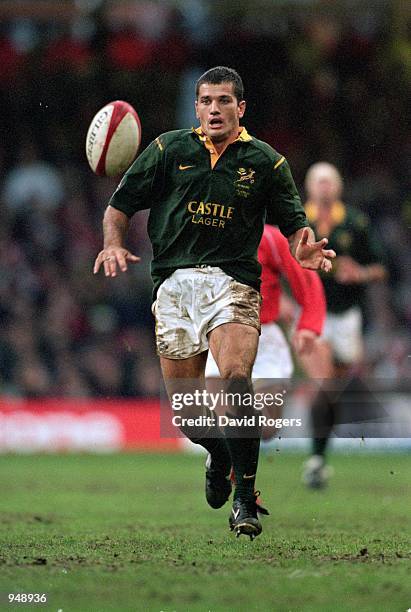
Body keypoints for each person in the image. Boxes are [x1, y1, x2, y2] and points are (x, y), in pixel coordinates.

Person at [93, 66, 335, 539]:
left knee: (236, 378)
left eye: (224, 101)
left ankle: (244, 499)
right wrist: (112, 242)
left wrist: (302, 247)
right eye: (206, 101)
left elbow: (294, 224)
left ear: (240, 108)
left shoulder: (266, 162)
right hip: (173, 286)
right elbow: (118, 206)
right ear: (196, 107)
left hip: (233, 283)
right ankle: (220, 454)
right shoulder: (167, 149)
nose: (214, 109)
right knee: (187, 415)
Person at [301, 162, 387, 488]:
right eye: (318, 182)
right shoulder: (299, 222)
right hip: (312, 313)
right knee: (324, 383)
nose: (324, 187)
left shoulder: (355, 222)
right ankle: (314, 460)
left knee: (332, 390)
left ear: (337, 187)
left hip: (347, 315)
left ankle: (319, 458)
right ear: (309, 187)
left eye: (329, 182)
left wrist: (360, 273)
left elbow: (380, 268)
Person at [206, 224, 326, 440]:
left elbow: (305, 280)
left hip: (264, 338)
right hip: (221, 335)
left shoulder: (270, 238)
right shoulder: (203, 233)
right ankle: (226, 469)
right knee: (222, 423)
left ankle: (237, 449)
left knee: (267, 428)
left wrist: (308, 325)